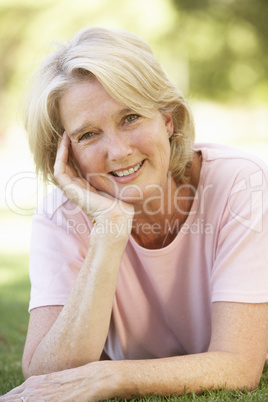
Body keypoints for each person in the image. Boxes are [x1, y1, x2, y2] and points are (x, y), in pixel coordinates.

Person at [1, 26, 268, 401]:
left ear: (168, 119)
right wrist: (110, 229)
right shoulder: (61, 214)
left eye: (130, 118)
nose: (119, 151)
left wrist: (112, 377)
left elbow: (239, 363)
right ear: (67, 154)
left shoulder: (241, 182)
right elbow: (47, 374)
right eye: (88, 135)